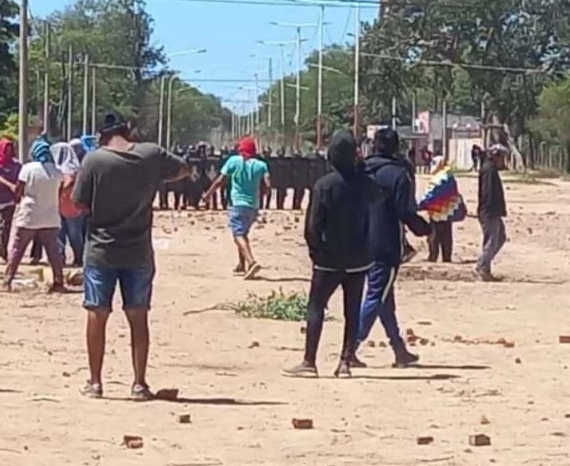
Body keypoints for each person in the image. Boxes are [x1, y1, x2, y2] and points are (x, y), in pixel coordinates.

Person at [73, 112, 189, 400]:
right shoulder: (150, 155)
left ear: (101, 136)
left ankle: (95, 382)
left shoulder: (94, 160)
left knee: (97, 314)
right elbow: (184, 169)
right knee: (138, 317)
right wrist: (152, 180)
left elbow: (78, 203)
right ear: (129, 132)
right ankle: (139, 383)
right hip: (138, 252)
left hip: (101, 250)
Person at [283, 132, 379, 379]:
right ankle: (345, 362)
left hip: (328, 258)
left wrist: (315, 250)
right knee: (352, 309)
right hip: (359, 258)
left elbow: (313, 225)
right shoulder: (367, 185)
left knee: (316, 306)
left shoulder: (324, 185)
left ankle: (309, 361)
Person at [352, 128, 431, 368]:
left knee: (385, 298)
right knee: (376, 296)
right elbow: (405, 211)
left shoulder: (360, 171)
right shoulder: (398, 175)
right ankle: (350, 347)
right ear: (396, 148)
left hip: (359, 241)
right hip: (386, 245)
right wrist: (424, 229)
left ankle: (399, 349)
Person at [2, 137, 65, 291]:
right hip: (51, 216)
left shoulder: (28, 168)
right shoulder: (57, 171)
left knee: (18, 250)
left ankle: (7, 281)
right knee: (53, 252)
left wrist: (18, 199)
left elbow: (19, 190)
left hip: (29, 215)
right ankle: (58, 282)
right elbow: (60, 191)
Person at [203, 137, 270, 279]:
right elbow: (268, 186)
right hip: (253, 206)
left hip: (237, 204)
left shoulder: (233, 161)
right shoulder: (261, 165)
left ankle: (252, 262)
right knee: (243, 233)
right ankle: (241, 264)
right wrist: (260, 196)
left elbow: (220, 180)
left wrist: (208, 194)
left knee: (238, 235)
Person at [419, 156, 466, 263]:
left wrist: (421, 204)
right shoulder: (449, 176)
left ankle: (433, 256)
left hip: (436, 212)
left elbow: (431, 194)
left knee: (434, 235)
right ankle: (446, 257)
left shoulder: (439, 178)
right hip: (447, 211)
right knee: (447, 235)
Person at [476, 144, 508, 281]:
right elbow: (488, 192)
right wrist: (491, 211)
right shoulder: (489, 169)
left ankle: (484, 265)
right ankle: (483, 267)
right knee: (492, 241)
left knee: (500, 237)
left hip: (492, 211)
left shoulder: (490, 168)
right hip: (489, 211)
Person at [53, 142, 86, 268]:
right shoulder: (56, 166)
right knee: (59, 234)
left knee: (74, 234)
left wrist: (57, 189)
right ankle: (60, 258)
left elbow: (70, 180)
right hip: (60, 205)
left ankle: (78, 258)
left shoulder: (72, 167)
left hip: (71, 206)